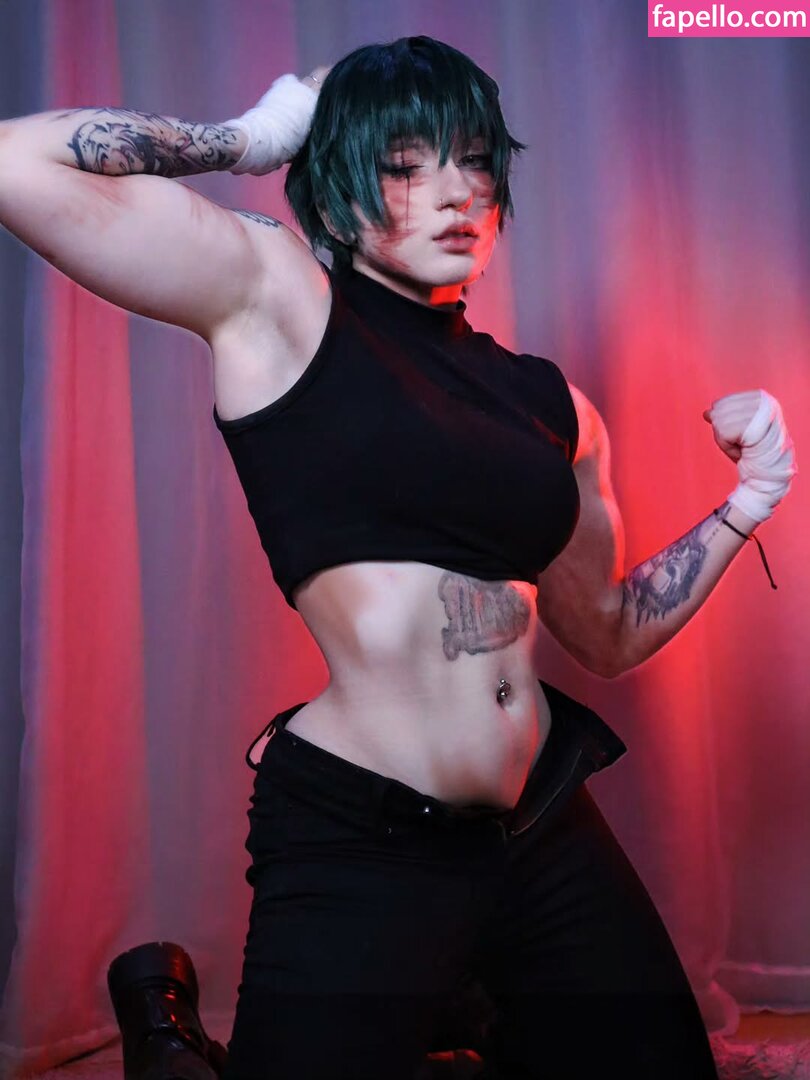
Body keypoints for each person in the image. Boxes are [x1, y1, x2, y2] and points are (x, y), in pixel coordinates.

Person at [0, 34, 796, 1080]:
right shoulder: (282, 302)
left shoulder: (552, 404)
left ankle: (459, 1018)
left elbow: (605, 635)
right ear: (336, 196)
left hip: (540, 824)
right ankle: (171, 1035)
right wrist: (249, 137)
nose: (457, 192)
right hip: (364, 835)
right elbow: (16, 163)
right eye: (407, 165)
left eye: (476, 162)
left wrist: (747, 503)